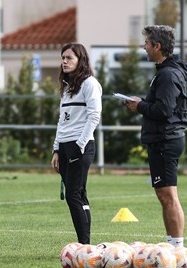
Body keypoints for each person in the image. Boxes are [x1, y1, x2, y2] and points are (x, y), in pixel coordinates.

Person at [125, 25, 187, 248]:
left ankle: (176, 248)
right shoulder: (165, 71)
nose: (144, 47)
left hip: (166, 139)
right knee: (165, 195)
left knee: (167, 195)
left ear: (157, 46)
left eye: (147, 43)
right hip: (164, 139)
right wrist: (141, 104)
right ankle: (174, 244)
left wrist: (140, 106)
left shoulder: (168, 74)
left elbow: (164, 110)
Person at [51, 43, 102, 244]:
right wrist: (56, 149)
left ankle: (84, 246)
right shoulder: (66, 87)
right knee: (79, 194)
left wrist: (80, 144)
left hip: (79, 146)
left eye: (69, 58)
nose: (64, 61)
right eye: (63, 57)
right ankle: (86, 245)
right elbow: (61, 121)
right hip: (64, 146)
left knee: (73, 195)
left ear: (81, 60)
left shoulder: (90, 84)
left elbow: (94, 116)